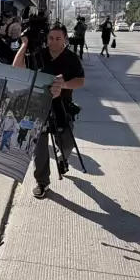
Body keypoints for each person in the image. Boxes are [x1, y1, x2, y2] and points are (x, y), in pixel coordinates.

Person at [14, 23, 86, 198]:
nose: (53, 42)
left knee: (66, 143)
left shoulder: (71, 58)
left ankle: (63, 158)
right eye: (51, 38)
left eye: (58, 38)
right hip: (39, 107)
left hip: (62, 107)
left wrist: (64, 85)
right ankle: (42, 182)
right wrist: (24, 45)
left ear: (65, 39)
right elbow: (16, 68)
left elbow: (80, 81)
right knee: (39, 149)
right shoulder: (38, 55)